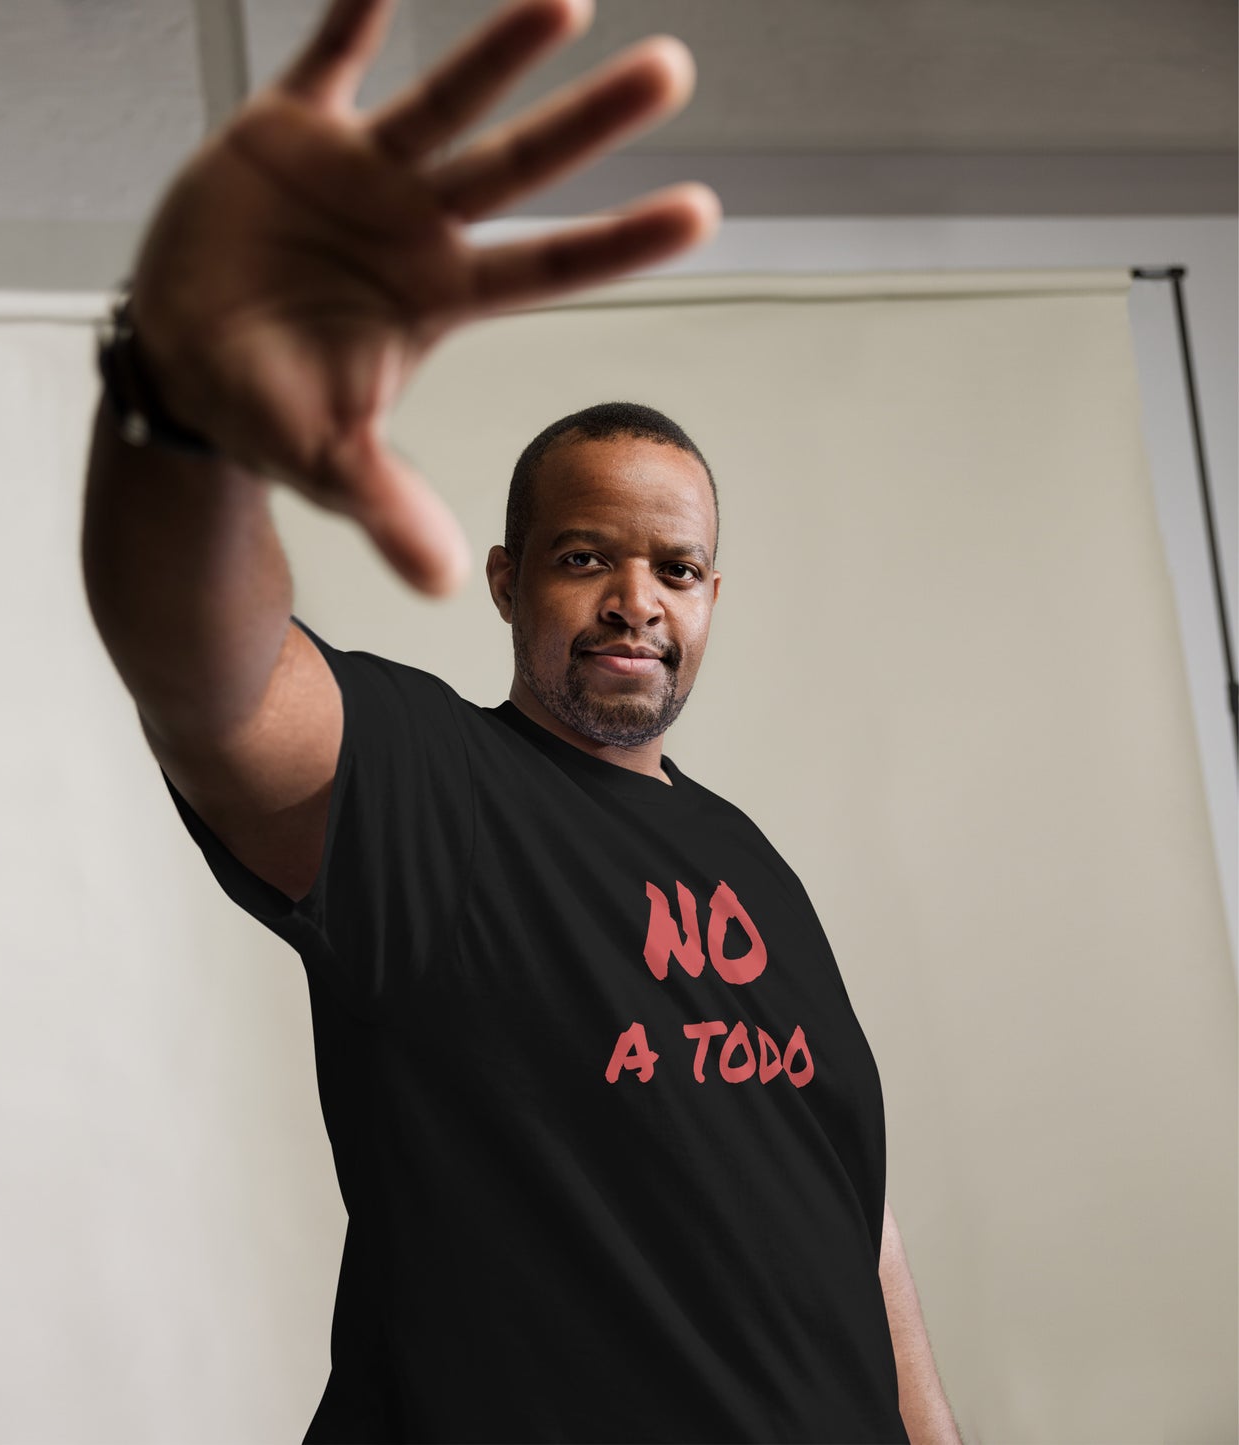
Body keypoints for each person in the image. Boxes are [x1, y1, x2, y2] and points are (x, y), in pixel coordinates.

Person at [80, 0, 962, 1440]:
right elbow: (213, 685)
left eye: (673, 568)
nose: (634, 598)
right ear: (506, 579)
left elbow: (853, 1217)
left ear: (712, 595)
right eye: (582, 556)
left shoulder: (748, 859)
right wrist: (185, 408)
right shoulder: (440, 790)